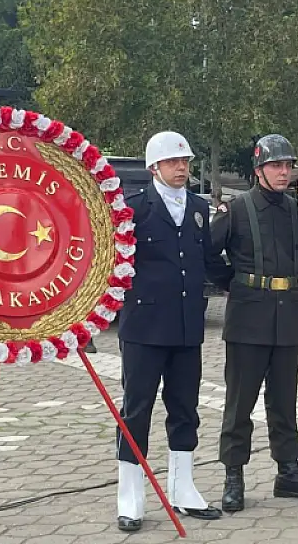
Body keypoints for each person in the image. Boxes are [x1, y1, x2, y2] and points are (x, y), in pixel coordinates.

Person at [210, 134, 298, 512]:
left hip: (287, 314)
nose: (284, 172)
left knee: (284, 400)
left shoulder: (295, 210)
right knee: (240, 402)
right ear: (259, 169)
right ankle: (233, 474)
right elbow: (207, 253)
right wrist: (235, 283)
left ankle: (288, 471)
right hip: (248, 316)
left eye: (288, 166)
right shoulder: (237, 209)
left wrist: (285, 279)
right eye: (276, 166)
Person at [114, 131, 226, 531]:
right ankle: (130, 497)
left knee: (185, 409)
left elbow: (208, 259)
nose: (181, 168)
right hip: (144, 326)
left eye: (185, 162)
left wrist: (242, 283)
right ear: (153, 167)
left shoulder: (197, 207)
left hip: (185, 325)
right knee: (136, 410)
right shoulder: (133, 208)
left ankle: (183, 489)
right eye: (173, 162)